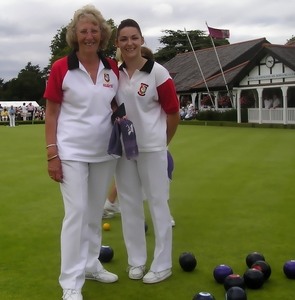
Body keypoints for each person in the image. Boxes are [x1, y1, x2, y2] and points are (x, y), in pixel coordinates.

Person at [43, 5, 119, 300]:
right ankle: (70, 283)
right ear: (75, 35)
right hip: (71, 151)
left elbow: (113, 104)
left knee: (93, 213)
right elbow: (51, 113)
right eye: (83, 31)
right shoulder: (61, 67)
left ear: (103, 34)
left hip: (104, 152)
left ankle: (90, 264)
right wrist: (52, 154)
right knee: (75, 214)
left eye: (94, 30)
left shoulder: (111, 67)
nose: (89, 36)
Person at [114, 19, 180, 284]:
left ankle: (162, 264)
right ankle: (136, 262)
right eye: (123, 39)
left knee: (158, 205)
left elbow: (173, 113)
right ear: (117, 43)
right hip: (123, 150)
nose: (129, 43)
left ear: (141, 40)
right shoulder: (113, 73)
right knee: (129, 205)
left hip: (153, 149)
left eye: (134, 38)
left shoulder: (158, 73)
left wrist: (161, 144)